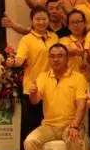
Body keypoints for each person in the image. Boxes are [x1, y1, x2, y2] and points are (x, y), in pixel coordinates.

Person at [23, 44, 87, 150]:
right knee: (30, 141)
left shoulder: (78, 78)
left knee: (74, 139)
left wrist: (75, 126)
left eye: (60, 56)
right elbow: (35, 101)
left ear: (67, 58)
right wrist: (33, 93)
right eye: (52, 56)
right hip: (49, 125)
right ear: (49, 59)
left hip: (70, 124)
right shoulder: (43, 77)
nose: (56, 60)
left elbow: (81, 105)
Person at [7, 7, 59, 135]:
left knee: (49, 120)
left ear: (49, 20)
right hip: (33, 85)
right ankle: (28, 146)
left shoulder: (54, 37)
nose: (41, 22)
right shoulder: (27, 39)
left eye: (44, 19)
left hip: (52, 84)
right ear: (32, 21)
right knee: (32, 122)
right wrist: (13, 62)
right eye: (38, 19)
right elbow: (20, 59)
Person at [59, 9, 90, 83]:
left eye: (79, 22)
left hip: (89, 81)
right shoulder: (64, 40)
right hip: (70, 81)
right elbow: (62, 52)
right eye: (72, 22)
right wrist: (72, 52)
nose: (76, 25)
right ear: (68, 26)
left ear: (84, 23)